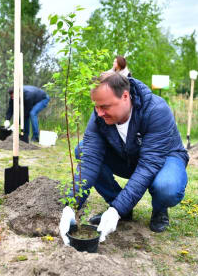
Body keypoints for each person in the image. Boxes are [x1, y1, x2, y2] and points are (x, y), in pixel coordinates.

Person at [59, 73, 189, 244]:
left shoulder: (156, 110)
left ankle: (159, 209)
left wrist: (115, 211)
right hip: (126, 157)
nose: (99, 113)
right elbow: (89, 160)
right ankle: (120, 205)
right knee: (82, 149)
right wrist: (71, 205)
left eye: (105, 107)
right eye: (96, 107)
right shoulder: (100, 115)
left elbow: (148, 165)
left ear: (125, 96)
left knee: (166, 187)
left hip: (163, 158)